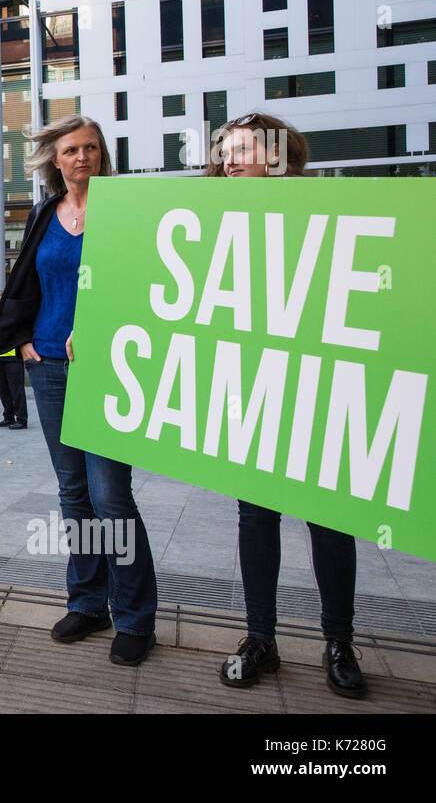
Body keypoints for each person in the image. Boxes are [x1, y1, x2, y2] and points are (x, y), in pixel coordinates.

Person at [205, 111, 365, 698]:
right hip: (253, 387)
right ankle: (260, 638)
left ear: (281, 155)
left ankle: (339, 641)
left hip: (319, 383)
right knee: (256, 516)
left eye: (245, 148)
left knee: (328, 516)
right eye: (226, 151)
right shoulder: (213, 217)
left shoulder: (326, 208)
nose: (232, 159)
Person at [0, 114, 158, 665]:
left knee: (112, 495)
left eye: (90, 148)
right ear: (56, 160)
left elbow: (144, 286)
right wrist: (23, 343)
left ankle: (135, 618)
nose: (81, 157)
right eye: (70, 150)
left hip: (111, 369)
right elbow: (27, 283)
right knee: (74, 494)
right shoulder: (44, 213)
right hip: (49, 367)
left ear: (102, 155)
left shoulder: (124, 213)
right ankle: (89, 603)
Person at [0, 285, 27, 429]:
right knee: (4, 390)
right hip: (0, 358)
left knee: (16, 390)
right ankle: (8, 416)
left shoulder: (11, 316)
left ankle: (22, 419)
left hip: (13, 358)